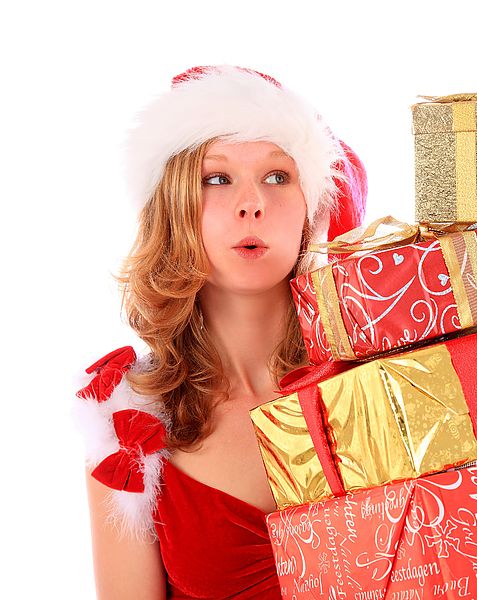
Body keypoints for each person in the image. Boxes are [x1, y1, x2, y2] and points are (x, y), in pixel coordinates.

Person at [74, 65, 367, 599]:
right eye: (217, 177)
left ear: (313, 210)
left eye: (278, 176)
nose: (250, 204)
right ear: (175, 208)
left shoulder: (390, 384)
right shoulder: (130, 425)